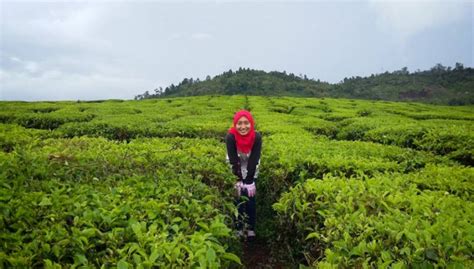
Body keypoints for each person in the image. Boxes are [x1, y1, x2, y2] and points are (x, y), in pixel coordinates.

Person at [226, 110, 262, 240]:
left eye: (246, 123)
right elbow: (233, 160)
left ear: (251, 124)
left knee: (251, 199)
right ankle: (239, 227)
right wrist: (238, 179)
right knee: (238, 198)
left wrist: (249, 181)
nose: (243, 127)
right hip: (235, 169)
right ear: (235, 125)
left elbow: (254, 159)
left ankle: (251, 228)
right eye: (239, 123)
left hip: (252, 170)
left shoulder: (256, 137)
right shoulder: (230, 137)